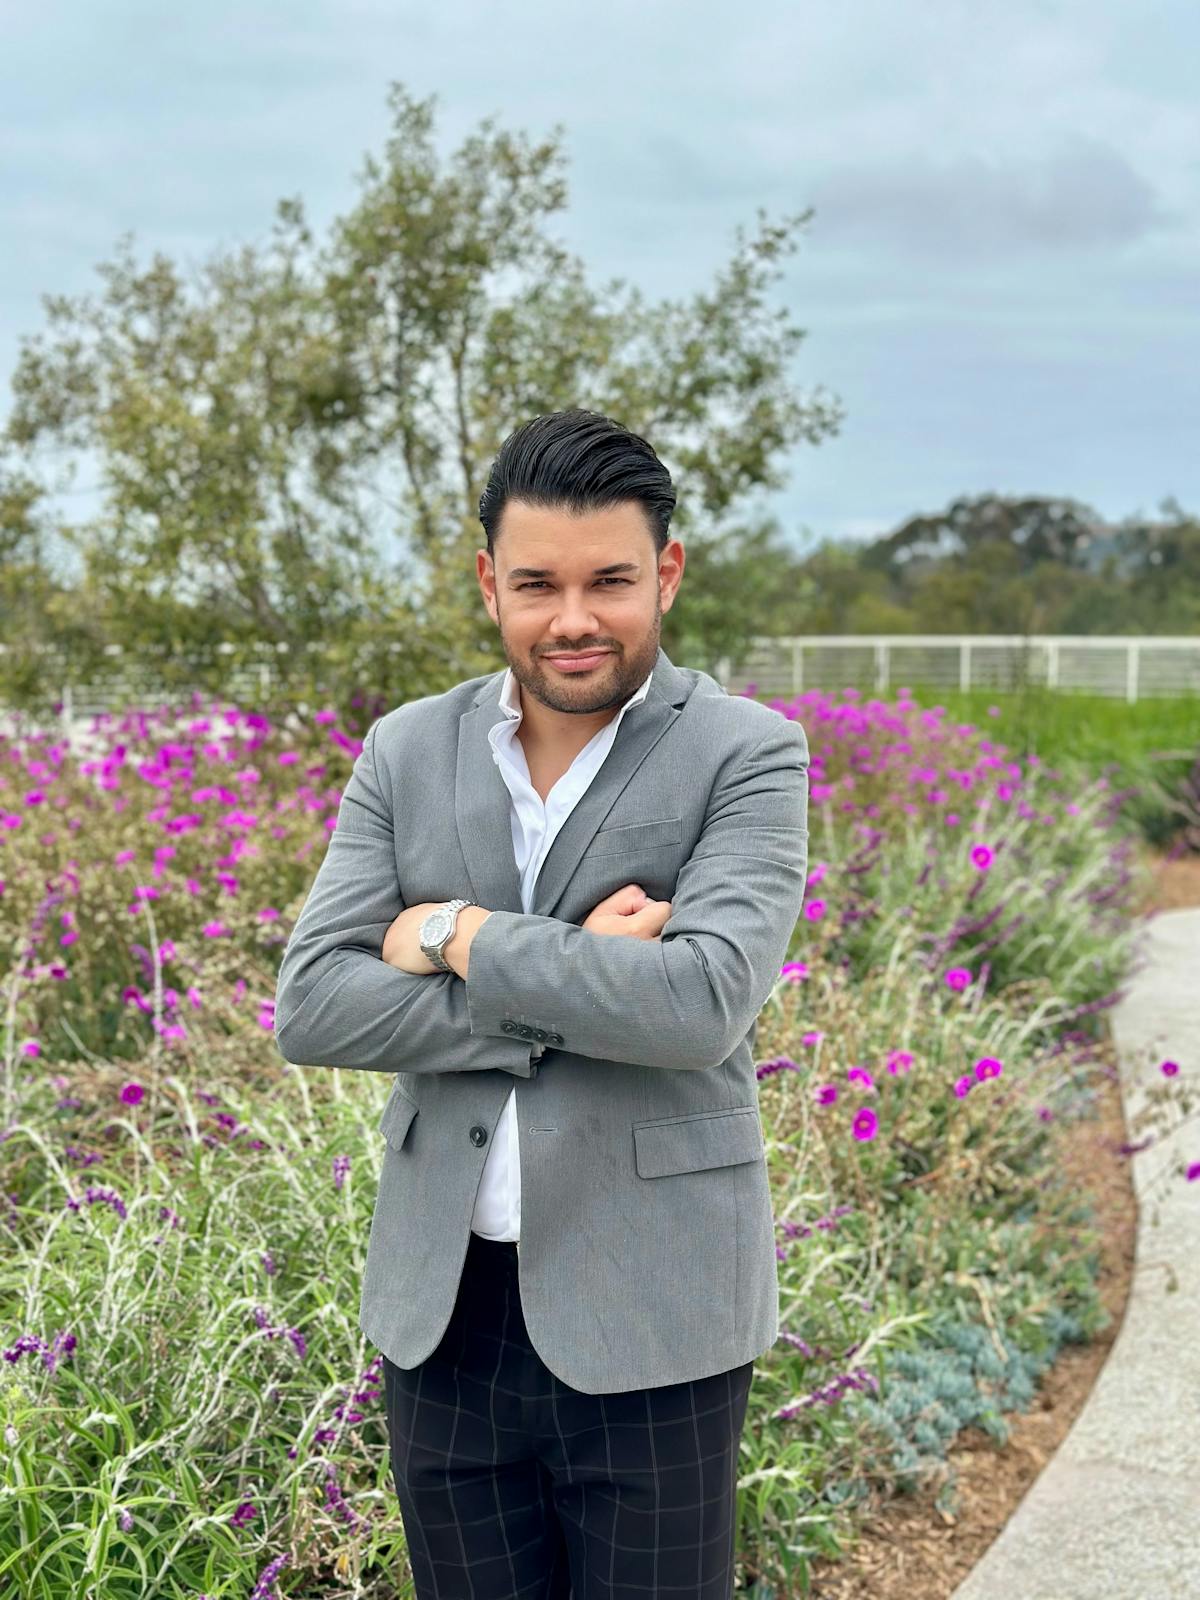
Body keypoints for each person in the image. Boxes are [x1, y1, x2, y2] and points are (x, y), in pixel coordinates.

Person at [274, 406, 810, 1597]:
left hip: (657, 1319)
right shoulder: (405, 750)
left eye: (610, 579)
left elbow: (699, 1002)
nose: (574, 618)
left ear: (665, 572)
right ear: (489, 583)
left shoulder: (747, 751)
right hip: (444, 1318)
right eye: (537, 584)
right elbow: (313, 1002)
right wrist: (575, 964)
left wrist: (454, 933)